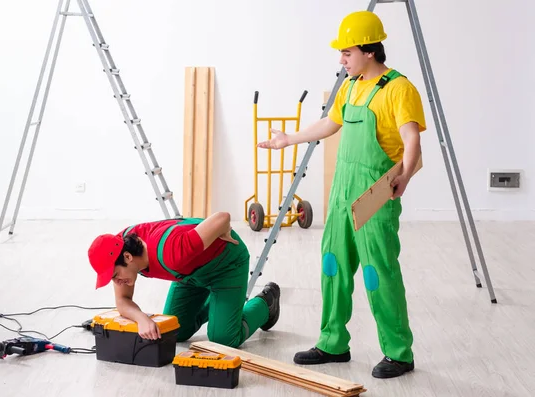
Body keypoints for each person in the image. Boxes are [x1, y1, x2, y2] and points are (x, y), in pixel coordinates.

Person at [258, 10, 426, 378]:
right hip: (342, 192)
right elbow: (330, 123)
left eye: (346, 52)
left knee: (376, 272)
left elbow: (412, 138)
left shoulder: (399, 89)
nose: (341, 59)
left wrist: (406, 176)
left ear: (369, 51)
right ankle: (333, 342)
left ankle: (399, 352)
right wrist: (289, 139)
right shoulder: (350, 86)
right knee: (332, 268)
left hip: (376, 193)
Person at [87, 211, 281, 348]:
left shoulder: (173, 252)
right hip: (190, 274)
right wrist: (142, 319)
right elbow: (122, 301)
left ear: (128, 257)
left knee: (223, 339)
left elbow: (223, 217)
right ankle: (220, 306)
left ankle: (266, 303)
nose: (117, 282)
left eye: (114, 276)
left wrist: (224, 231)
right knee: (174, 332)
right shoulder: (119, 249)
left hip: (226, 266)